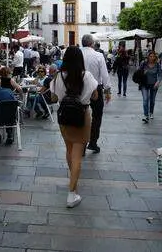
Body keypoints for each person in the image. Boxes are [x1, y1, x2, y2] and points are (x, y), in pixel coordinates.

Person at [50, 46, 99, 208]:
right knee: (77, 155)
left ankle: (74, 184)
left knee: (69, 151)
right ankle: (71, 194)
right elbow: (95, 96)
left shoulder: (58, 77)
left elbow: (53, 97)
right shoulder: (87, 76)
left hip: (64, 117)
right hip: (82, 116)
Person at [81, 34, 111, 153]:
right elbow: (105, 75)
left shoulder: (77, 54)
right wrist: (107, 91)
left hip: (80, 88)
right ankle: (93, 142)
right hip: (95, 89)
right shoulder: (98, 55)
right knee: (97, 116)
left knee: (81, 116)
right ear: (92, 44)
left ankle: (81, 145)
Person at [138, 50, 162, 123]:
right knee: (145, 100)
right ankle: (146, 115)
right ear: (148, 57)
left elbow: (160, 75)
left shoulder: (157, 64)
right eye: (150, 56)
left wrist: (158, 82)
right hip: (144, 84)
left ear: (155, 57)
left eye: (153, 56)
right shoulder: (143, 63)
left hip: (154, 85)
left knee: (152, 100)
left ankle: (151, 112)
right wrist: (143, 73)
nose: (152, 58)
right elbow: (138, 73)